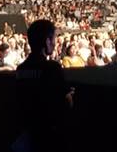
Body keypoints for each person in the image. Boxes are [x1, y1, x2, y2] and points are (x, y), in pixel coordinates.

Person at [15, 19, 73, 152]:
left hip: (27, 130)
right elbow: (67, 102)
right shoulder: (52, 67)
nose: (55, 42)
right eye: (54, 38)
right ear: (47, 41)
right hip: (48, 133)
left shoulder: (21, 69)